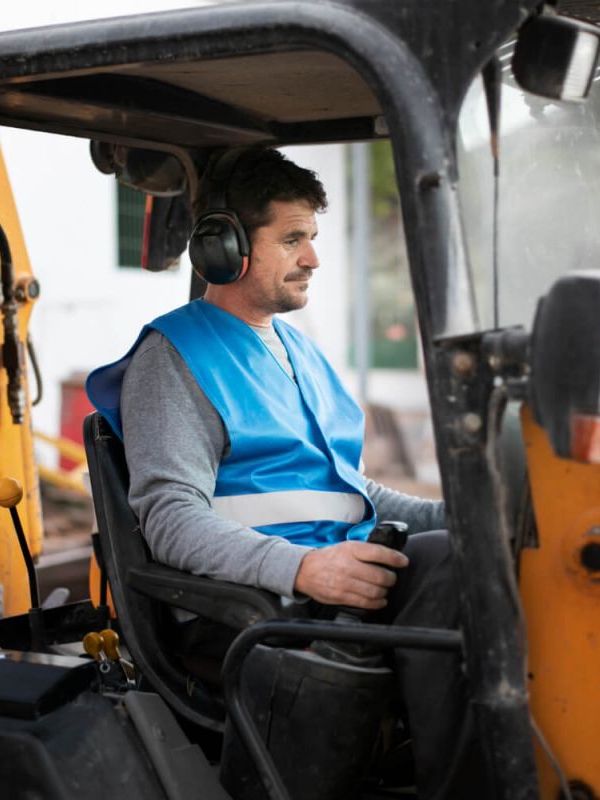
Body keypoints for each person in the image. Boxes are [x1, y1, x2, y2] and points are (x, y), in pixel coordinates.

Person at [87, 148, 465, 796]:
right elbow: (172, 519)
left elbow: (349, 492)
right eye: (292, 239)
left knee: (476, 551)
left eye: (312, 238)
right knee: (452, 574)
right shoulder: (173, 358)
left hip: (325, 573)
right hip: (251, 606)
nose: (313, 258)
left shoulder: (296, 350)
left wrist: (471, 515)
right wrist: (300, 568)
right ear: (222, 246)